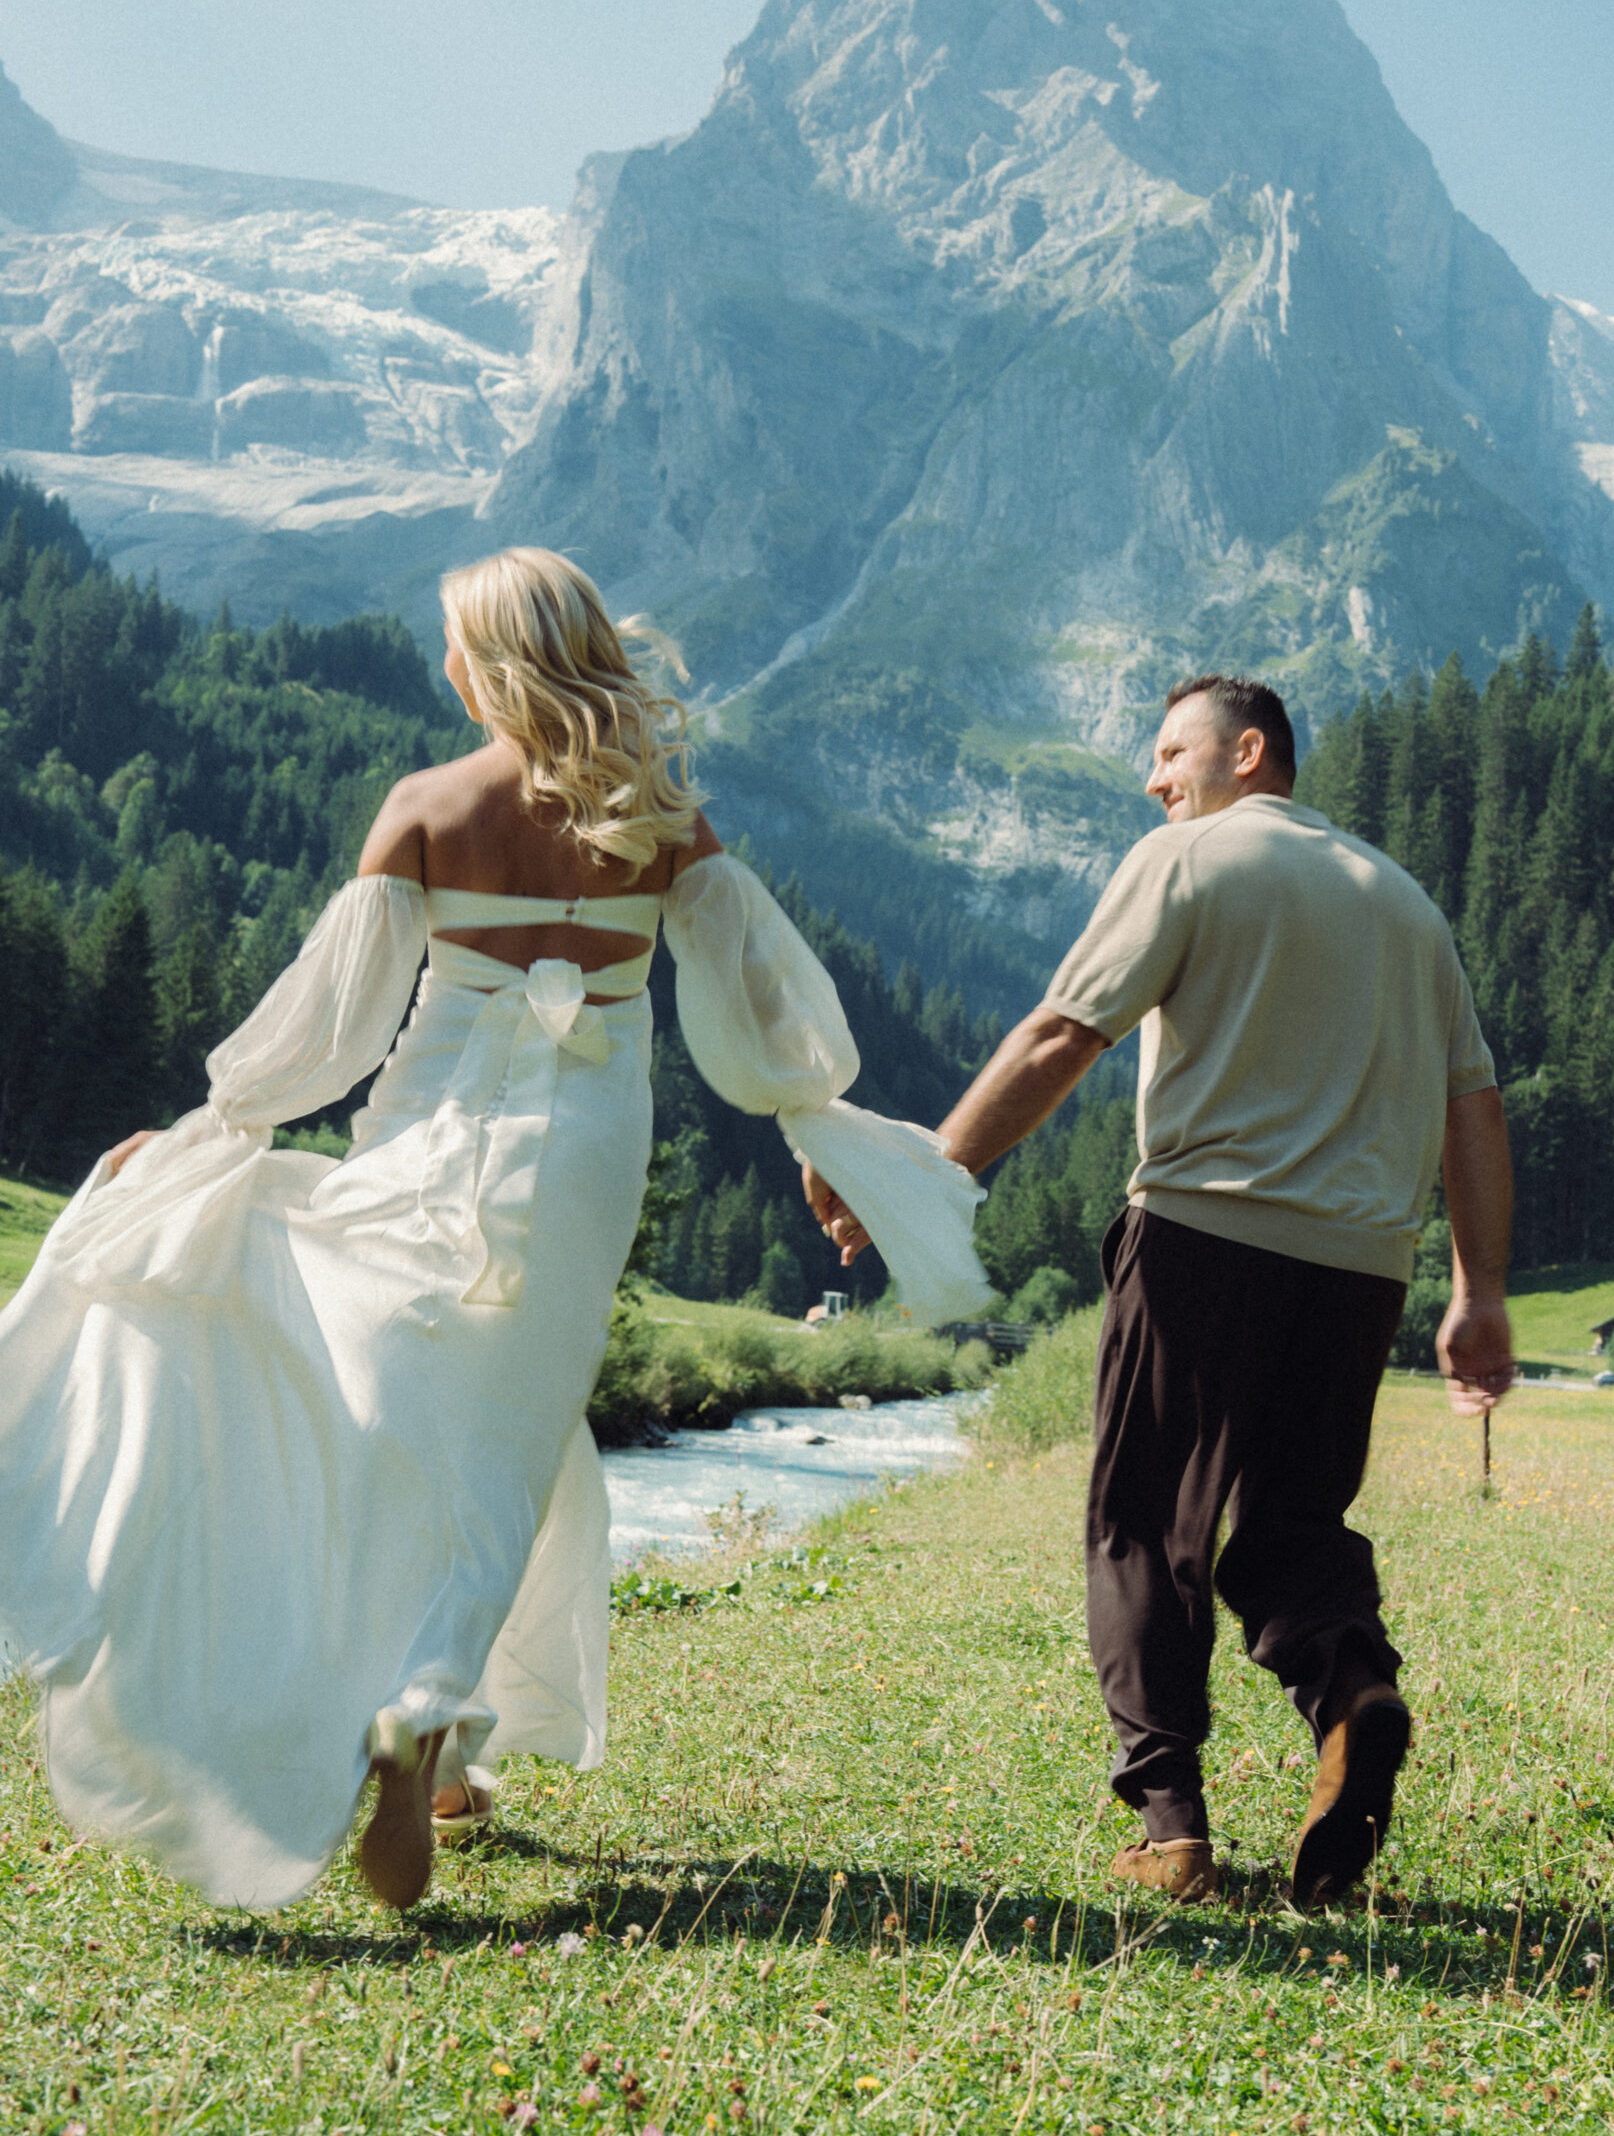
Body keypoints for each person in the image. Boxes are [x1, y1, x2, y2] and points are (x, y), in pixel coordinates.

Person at [0, 548, 987, 1913]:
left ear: (489, 666)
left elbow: (331, 1030)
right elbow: (764, 1014)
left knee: (389, 1419)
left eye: (452, 646)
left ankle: (406, 1719)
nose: (442, 667)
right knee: (509, 1447)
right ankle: (430, 1723)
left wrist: (214, 1132)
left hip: (421, 1146)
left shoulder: (428, 808)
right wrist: (816, 1131)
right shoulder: (660, 822)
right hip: (584, 1160)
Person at [807, 673, 1514, 1907]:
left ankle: (1171, 1818)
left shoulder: (1187, 860)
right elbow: (1474, 1110)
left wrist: (925, 1179)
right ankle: (1353, 1691)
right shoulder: (1408, 907)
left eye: (1170, 748)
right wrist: (1482, 1290)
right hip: (1358, 1271)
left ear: (1249, 752)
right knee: (1293, 1523)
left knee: (1147, 1521)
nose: (1153, 776)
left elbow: (1058, 1038)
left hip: (1201, 1240)